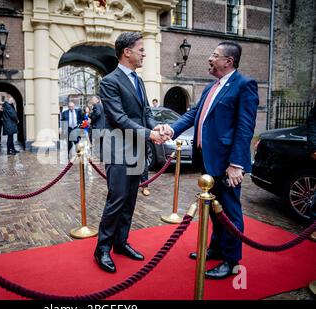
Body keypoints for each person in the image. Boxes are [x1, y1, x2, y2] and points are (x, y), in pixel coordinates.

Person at [166, 41, 259, 280]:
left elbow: (245, 127)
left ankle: (231, 260)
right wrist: (170, 130)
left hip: (228, 164)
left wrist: (237, 164)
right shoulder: (211, 87)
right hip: (208, 161)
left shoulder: (244, 85)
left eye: (214, 55)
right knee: (215, 211)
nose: (209, 58)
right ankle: (216, 249)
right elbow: (194, 114)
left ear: (228, 61)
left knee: (230, 212)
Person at [94, 32, 168, 273]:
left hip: (135, 149)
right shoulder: (109, 81)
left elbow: (145, 111)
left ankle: (121, 242)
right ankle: (102, 249)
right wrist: (149, 134)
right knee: (116, 200)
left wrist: (154, 126)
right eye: (141, 49)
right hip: (117, 148)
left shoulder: (138, 80)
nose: (144, 53)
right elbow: (118, 117)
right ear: (127, 52)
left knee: (130, 200)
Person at [89, 95, 105, 162]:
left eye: (93, 99)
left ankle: (99, 157)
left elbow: (97, 113)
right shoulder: (102, 105)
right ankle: (101, 158)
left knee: (98, 143)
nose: (92, 100)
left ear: (97, 100)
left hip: (97, 128)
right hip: (102, 128)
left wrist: (91, 117)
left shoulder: (96, 105)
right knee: (101, 143)